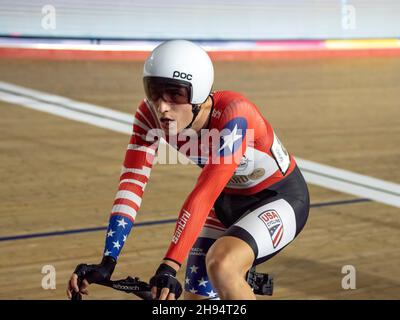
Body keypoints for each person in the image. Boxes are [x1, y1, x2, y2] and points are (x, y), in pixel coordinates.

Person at [67, 40, 310, 300]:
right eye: (154, 92)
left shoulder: (235, 115)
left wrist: (169, 265)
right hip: (226, 200)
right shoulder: (149, 116)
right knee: (195, 297)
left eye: (175, 94)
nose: (162, 106)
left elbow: (204, 192)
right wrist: (108, 260)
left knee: (223, 265)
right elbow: (132, 183)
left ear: (199, 94)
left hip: (278, 197)